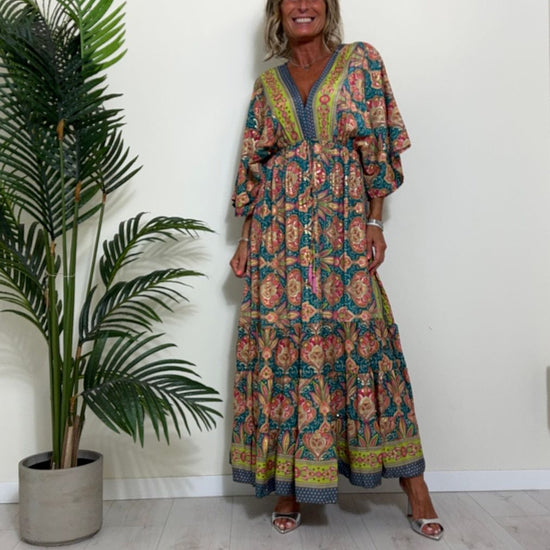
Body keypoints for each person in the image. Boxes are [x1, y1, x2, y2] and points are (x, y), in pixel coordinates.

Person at [229, 0, 443, 541]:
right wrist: (248, 240)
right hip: (278, 237)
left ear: (328, 7)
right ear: (278, 12)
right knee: (286, 347)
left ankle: (416, 487)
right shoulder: (267, 86)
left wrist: (374, 222)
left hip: (342, 227)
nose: (303, 5)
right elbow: (254, 166)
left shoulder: (362, 61)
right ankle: (289, 485)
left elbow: (380, 148)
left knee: (367, 341)